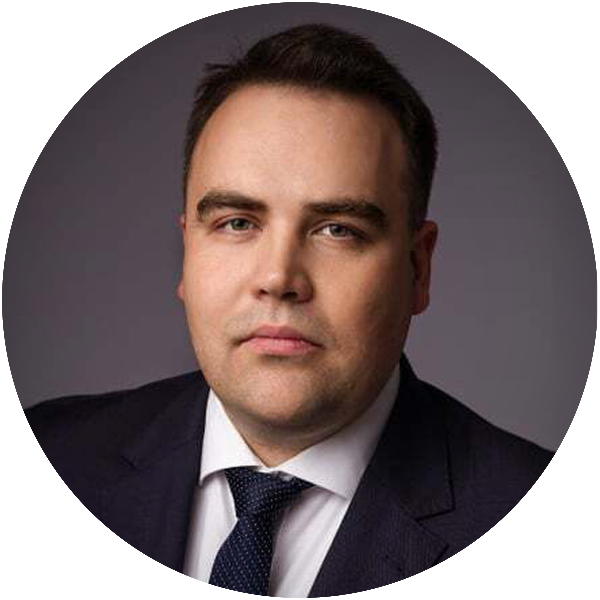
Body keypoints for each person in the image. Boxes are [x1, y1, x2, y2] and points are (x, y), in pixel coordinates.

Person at [26, 23, 552, 597]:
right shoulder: (42, 461)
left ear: (418, 268)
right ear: (188, 250)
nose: (278, 278)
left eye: (337, 230)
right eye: (237, 223)